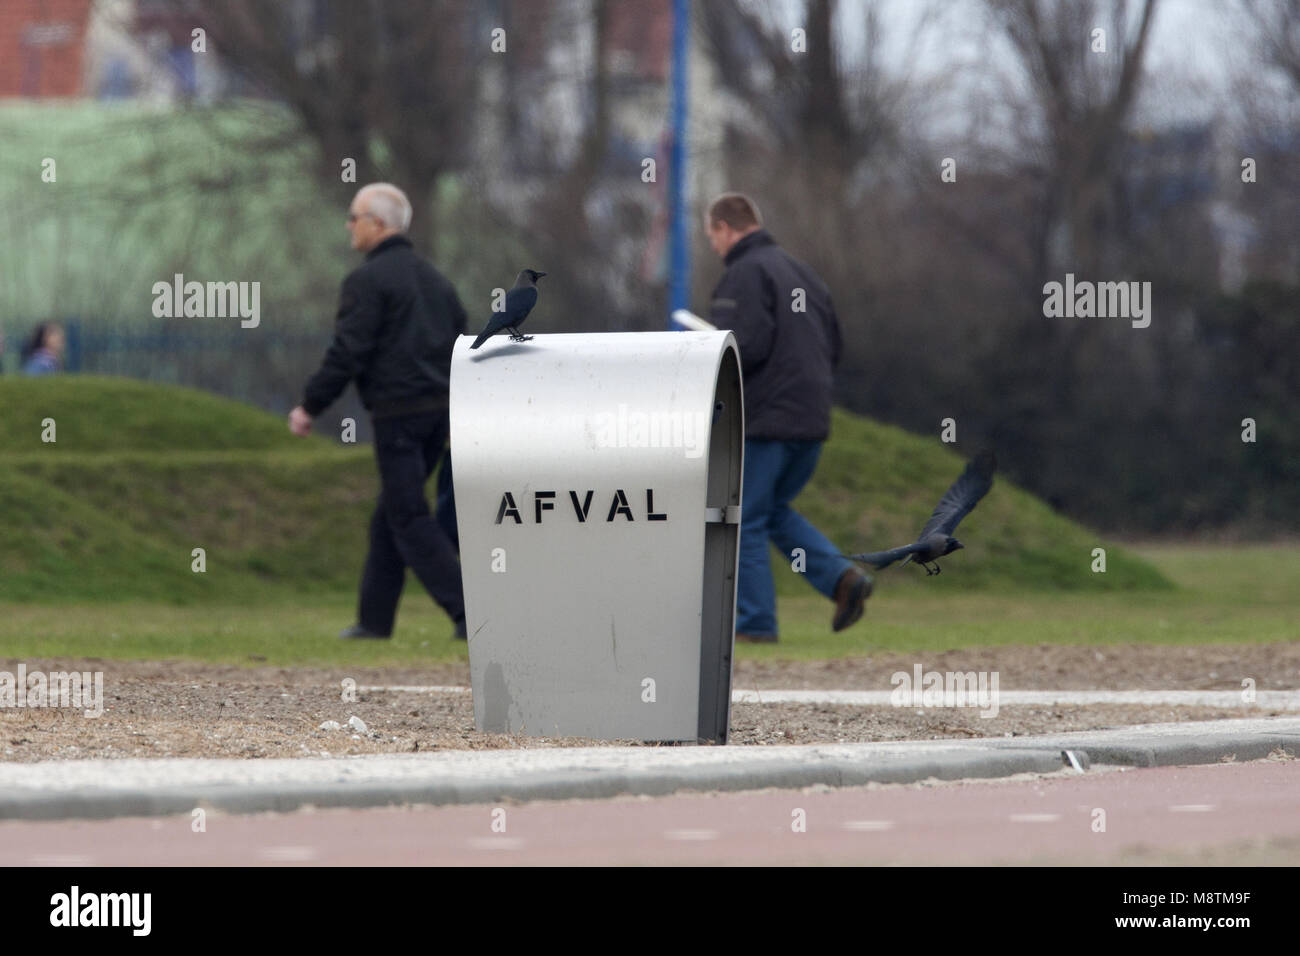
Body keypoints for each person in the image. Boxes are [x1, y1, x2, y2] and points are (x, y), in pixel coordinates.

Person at [288, 183, 468, 640]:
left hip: (398, 415)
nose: (349, 225)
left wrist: (311, 405)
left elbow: (349, 351)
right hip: (439, 416)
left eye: (355, 216)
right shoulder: (437, 282)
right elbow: (461, 345)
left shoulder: (367, 282)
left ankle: (470, 614)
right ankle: (374, 621)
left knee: (408, 516)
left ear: (379, 224)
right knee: (390, 513)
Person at [703, 192, 871, 642]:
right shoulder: (803, 274)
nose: (714, 248)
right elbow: (833, 345)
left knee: (746, 516)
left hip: (765, 420)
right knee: (772, 510)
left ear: (724, 228)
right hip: (812, 420)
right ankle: (842, 580)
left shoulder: (743, 274)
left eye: (712, 238)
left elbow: (743, 347)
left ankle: (756, 624)